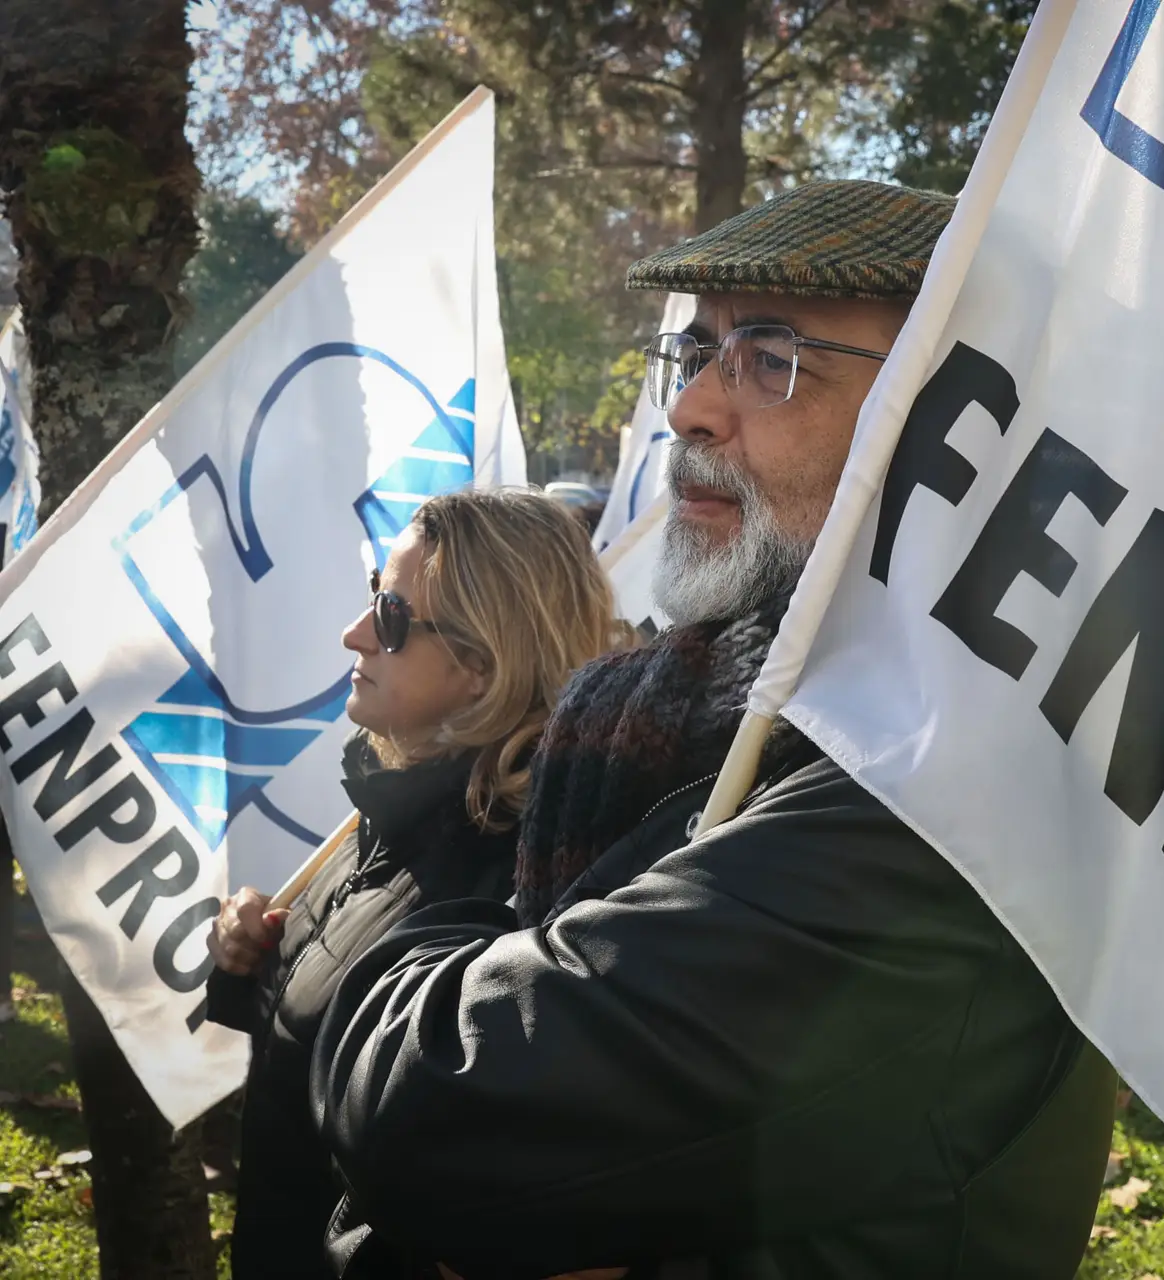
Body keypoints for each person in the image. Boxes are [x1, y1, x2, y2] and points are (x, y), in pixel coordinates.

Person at [311, 180, 1117, 1279]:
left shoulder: (946, 790)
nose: (691, 407)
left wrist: (418, 955)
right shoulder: (657, 711)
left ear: (960, 420)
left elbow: (432, 1113)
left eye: (772, 356)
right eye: (700, 353)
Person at [204, 488, 623, 1280]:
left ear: (482, 665)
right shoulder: (394, 808)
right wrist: (253, 952)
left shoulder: (519, 878)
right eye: (372, 598)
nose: (354, 632)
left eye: (392, 618)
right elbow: (321, 1027)